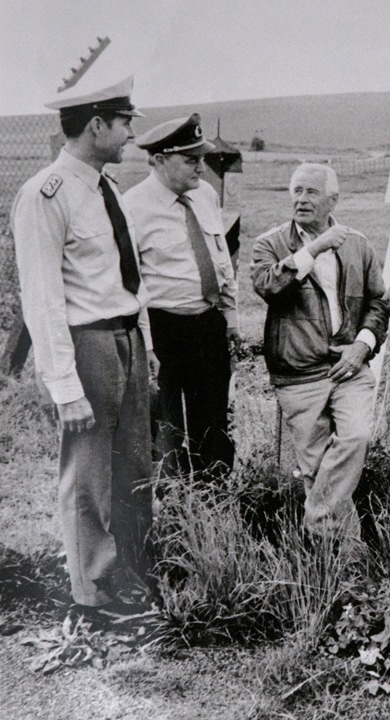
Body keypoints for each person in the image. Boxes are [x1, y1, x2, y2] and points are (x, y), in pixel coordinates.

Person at [10, 76, 156, 622]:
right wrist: (65, 388)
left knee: (134, 466)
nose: (130, 136)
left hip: (127, 340)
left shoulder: (106, 187)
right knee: (90, 473)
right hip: (87, 344)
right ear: (96, 124)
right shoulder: (44, 194)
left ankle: (134, 576)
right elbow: (43, 300)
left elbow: (126, 278)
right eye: (124, 124)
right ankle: (94, 592)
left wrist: (144, 347)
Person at [251, 163, 388, 544]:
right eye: (296, 190)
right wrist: (313, 249)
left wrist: (363, 345)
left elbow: (378, 303)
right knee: (315, 468)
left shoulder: (358, 244)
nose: (301, 199)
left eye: (311, 192)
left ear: (333, 200)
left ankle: (315, 523)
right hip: (297, 372)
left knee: (356, 437)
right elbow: (267, 286)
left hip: (350, 365)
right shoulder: (269, 244)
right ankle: (346, 561)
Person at [123, 113, 239, 484]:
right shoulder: (132, 207)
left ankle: (217, 505)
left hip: (208, 324)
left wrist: (231, 319)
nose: (201, 169)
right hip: (162, 329)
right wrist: (148, 345)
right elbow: (130, 284)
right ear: (159, 160)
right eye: (191, 160)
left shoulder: (205, 196)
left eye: (202, 159)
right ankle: (174, 513)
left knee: (214, 426)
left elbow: (221, 260)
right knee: (165, 431)